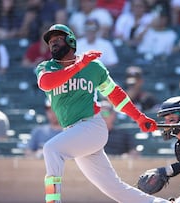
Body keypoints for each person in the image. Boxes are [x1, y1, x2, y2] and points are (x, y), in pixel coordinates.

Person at [35, 24, 169, 203]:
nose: (53, 43)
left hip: (91, 127)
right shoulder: (47, 67)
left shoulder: (93, 67)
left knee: (51, 149)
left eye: (58, 39)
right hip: (74, 133)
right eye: (50, 41)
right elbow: (46, 84)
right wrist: (79, 66)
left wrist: (138, 117)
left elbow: (115, 95)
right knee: (115, 189)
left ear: (71, 40)